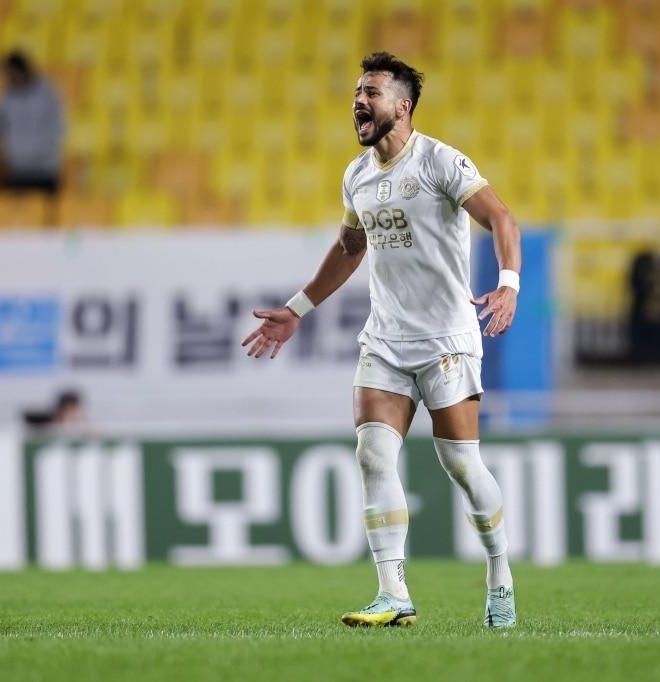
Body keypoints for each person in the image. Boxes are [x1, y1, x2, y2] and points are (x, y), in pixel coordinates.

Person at [242, 52, 522, 628]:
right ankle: (393, 592)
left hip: (447, 338)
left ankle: (500, 574)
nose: (358, 102)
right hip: (386, 340)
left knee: (462, 464)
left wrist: (509, 284)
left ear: (403, 105)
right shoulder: (356, 175)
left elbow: (502, 218)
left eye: (371, 92)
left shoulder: (441, 162)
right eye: (356, 93)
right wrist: (297, 309)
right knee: (372, 453)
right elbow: (350, 248)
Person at [0, 50, 64, 194]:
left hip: (45, 167)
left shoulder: (47, 92)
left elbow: (58, 124)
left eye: (13, 72)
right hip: (17, 168)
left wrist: (48, 150)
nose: (11, 77)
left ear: (23, 70)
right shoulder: (4, 97)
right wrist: (7, 152)